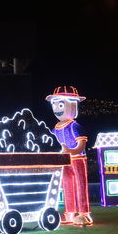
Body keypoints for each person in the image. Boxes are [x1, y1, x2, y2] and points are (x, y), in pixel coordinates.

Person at [46, 86, 92, 226]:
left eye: (61, 104)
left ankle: (84, 213)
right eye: (55, 104)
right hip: (64, 161)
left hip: (77, 160)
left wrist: (70, 151)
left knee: (80, 185)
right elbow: (52, 144)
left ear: (73, 105)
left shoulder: (74, 126)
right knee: (67, 186)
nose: (57, 108)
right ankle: (70, 212)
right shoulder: (56, 128)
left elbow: (81, 146)